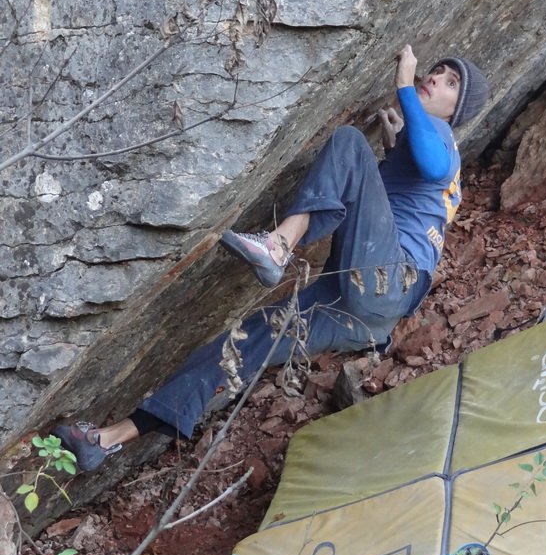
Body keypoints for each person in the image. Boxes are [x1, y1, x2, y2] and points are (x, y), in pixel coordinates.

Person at [53, 46, 489, 471]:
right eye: (437, 71)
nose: (434, 78)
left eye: (451, 83)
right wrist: (397, 149)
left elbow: (432, 166)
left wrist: (404, 86)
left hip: (389, 279)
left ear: (456, 111)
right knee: (239, 346)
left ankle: (279, 244)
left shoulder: (445, 142)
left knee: (352, 143)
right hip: (362, 313)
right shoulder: (428, 152)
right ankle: (106, 441)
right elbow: (410, 198)